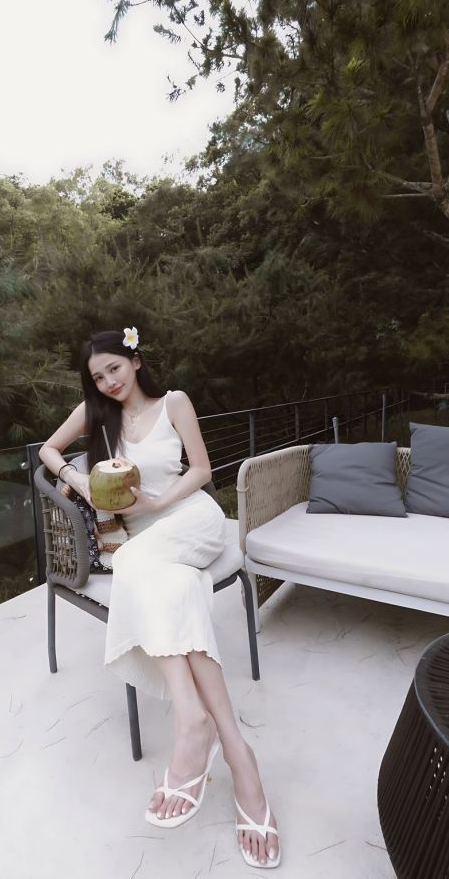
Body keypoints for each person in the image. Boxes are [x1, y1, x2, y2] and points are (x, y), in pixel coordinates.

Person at [39, 327, 280, 869]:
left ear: (135, 360)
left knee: (132, 565)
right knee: (174, 587)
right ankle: (237, 753)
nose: (109, 381)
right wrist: (77, 479)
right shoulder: (97, 414)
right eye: (98, 376)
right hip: (151, 544)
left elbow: (202, 471)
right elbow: (49, 450)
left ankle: (192, 722)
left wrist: (154, 503)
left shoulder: (174, 402)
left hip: (191, 519)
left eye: (114, 368)